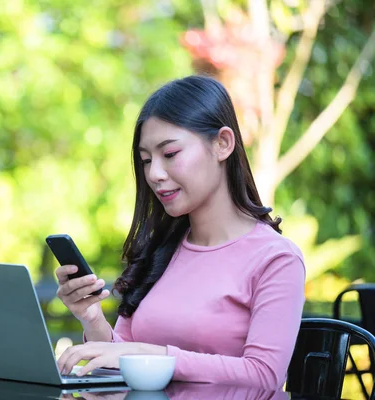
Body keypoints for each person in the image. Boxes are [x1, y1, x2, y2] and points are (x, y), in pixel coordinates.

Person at [55, 75, 306, 390]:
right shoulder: (161, 250)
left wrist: (156, 356)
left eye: (170, 154)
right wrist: (91, 318)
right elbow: (122, 357)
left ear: (222, 144)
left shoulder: (276, 259)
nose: (155, 174)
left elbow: (264, 376)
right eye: (146, 161)